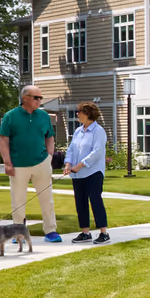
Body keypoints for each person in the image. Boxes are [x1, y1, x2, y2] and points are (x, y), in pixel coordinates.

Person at [0, 85, 63, 242]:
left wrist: (49, 156)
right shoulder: (10, 116)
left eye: (40, 98)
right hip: (18, 165)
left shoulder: (44, 116)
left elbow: (49, 136)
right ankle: (18, 233)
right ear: (25, 98)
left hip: (41, 163)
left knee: (47, 198)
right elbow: (4, 140)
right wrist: (7, 163)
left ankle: (50, 231)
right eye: (36, 98)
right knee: (18, 200)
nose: (39, 100)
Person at [65, 102, 110, 244]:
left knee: (95, 201)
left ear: (88, 114)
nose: (77, 114)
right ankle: (85, 233)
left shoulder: (98, 131)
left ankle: (104, 233)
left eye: (79, 111)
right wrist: (68, 164)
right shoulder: (78, 131)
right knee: (80, 202)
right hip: (77, 174)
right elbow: (71, 149)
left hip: (93, 172)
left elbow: (97, 152)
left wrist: (80, 165)